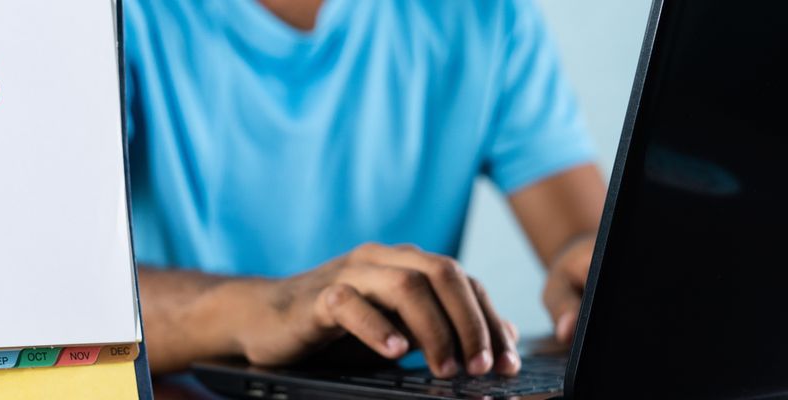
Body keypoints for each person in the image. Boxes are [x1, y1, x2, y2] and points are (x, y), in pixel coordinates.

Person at [123, 0, 607, 379]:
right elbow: (61, 296)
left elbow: (583, 244)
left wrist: (588, 266)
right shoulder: (112, 16)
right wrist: (268, 306)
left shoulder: (490, 13)